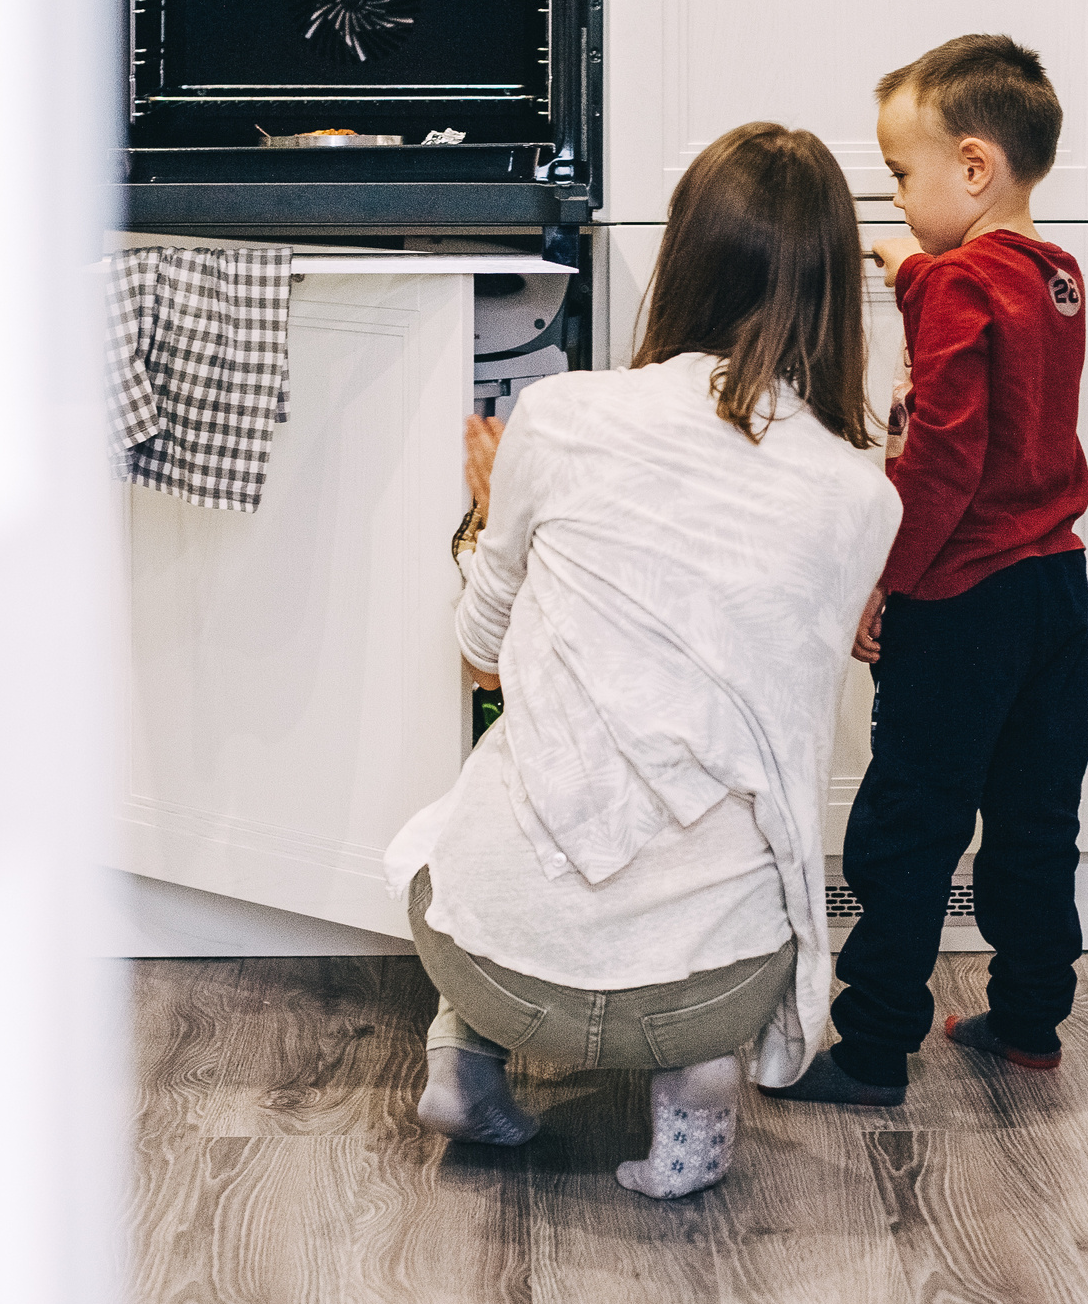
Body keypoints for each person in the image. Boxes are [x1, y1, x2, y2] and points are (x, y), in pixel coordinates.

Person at [383, 122, 901, 1198]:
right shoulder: (862, 499)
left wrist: (485, 520)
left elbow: (480, 659)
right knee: (716, 830)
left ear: (682, 259)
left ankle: (463, 1063)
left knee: (465, 814)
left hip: (499, 964)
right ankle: (695, 1098)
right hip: (705, 987)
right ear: (835, 289)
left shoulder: (559, 416)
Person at [764, 33, 1088, 1109]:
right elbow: (967, 308)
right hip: (1055, 593)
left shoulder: (955, 287)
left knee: (908, 822)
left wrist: (881, 581)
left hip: (963, 601)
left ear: (971, 167)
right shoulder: (1053, 280)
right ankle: (1032, 1019)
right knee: (1036, 819)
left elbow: (945, 459)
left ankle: (871, 1049)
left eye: (901, 177)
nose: (896, 199)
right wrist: (914, 270)